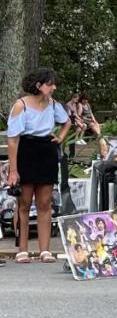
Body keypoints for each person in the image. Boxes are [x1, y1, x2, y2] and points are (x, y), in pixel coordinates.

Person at [7, 68, 71, 263]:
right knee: (24, 203)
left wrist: (60, 137)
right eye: (50, 84)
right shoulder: (21, 105)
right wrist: (13, 170)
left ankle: (45, 250)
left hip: (46, 151)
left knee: (45, 203)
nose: (54, 87)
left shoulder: (53, 104)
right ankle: (23, 250)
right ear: (38, 85)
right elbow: (13, 140)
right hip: (26, 150)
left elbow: (67, 122)